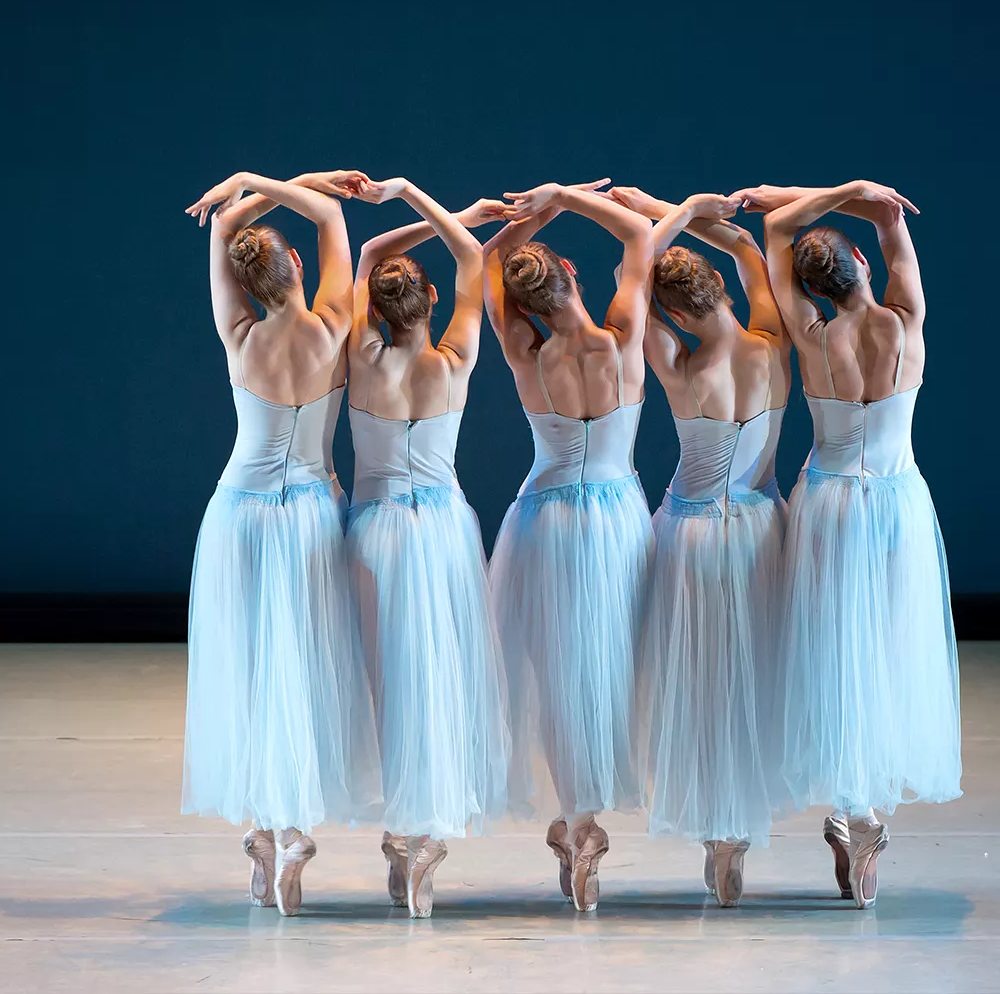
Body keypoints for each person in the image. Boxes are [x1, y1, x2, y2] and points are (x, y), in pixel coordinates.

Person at [747, 180, 960, 910]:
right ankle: (863, 811)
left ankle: (853, 805)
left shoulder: (811, 334)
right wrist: (856, 192)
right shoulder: (907, 321)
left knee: (836, 648)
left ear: (809, 288)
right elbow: (888, 212)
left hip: (831, 505)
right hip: (896, 503)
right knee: (886, 646)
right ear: (864, 265)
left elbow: (776, 228)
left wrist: (803, 196)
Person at [177, 169, 382, 916]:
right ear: (296, 267)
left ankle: (267, 837)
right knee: (300, 664)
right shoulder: (335, 322)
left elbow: (225, 231)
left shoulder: (239, 333)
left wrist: (246, 190)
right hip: (311, 512)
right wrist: (297, 183)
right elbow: (329, 216)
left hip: (241, 512)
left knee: (257, 669)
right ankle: (286, 831)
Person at [338, 178, 515, 918]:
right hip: (440, 531)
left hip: (376, 531)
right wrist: (453, 215)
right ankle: (420, 838)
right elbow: (473, 260)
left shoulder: (360, 354)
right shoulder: (455, 359)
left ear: (374, 307)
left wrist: (405, 199)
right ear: (432, 302)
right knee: (434, 679)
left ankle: (401, 831)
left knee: (386, 681)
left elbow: (374, 247)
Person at [609, 187, 789, 906]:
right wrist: (686, 209)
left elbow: (632, 288)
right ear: (719, 293)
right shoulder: (774, 345)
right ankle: (737, 829)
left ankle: (719, 838)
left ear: (676, 313)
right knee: (746, 680)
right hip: (760, 531)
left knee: (704, 686)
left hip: (695, 537)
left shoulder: (682, 367)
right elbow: (749, 249)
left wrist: (663, 218)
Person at [482, 178, 655, 912]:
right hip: (617, 516)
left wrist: (537, 210)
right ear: (577, 278)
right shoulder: (621, 338)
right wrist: (568, 196)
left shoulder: (525, 348)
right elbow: (642, 240)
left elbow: (486, 264)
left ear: (526, 302)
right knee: (610, 664)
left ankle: (578, 820)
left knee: (556, 673)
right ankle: (587, 818)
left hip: (546, 518)